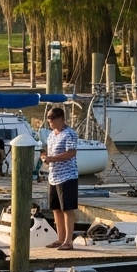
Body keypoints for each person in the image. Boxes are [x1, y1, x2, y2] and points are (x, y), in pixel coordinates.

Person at [41, 106, 80, 250]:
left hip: (67, 176)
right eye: (49, 121)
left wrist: (52, 159)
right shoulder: (51, 135)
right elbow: (46, 150)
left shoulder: (69, 134)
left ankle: (69, 241)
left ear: (61, 118)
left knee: (67, 209)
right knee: (56, 208)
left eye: (52, 120)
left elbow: (71, 153)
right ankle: (60, 238)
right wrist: (44, 156)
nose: (50, 123)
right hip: (53, 176)